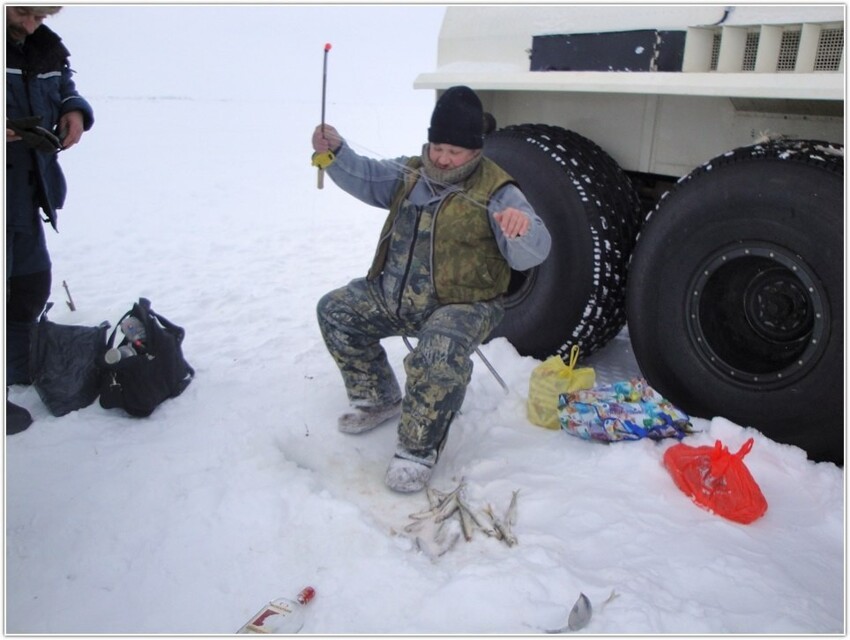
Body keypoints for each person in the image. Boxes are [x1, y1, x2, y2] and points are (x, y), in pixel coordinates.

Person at [312, 86, 551, 493]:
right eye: (437, 146)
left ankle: (417, 450)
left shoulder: (499, 191)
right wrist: (335, 152)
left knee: (438, 350)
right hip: (396, 295)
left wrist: (522, 229)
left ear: (475, 151)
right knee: (335, 310)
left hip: (465, 305)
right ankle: (377, 396)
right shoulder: (410, 174)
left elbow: (534, 251)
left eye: (455, 151)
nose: (442, 158)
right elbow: (366, 175)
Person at [6, 6, 94, 434]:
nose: (30, 25)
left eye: (41, 16)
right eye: (23, 13)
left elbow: (63, 85)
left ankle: (17, 365)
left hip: (26, 187)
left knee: (29, 282)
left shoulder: (44, 48)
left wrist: (74, 111)